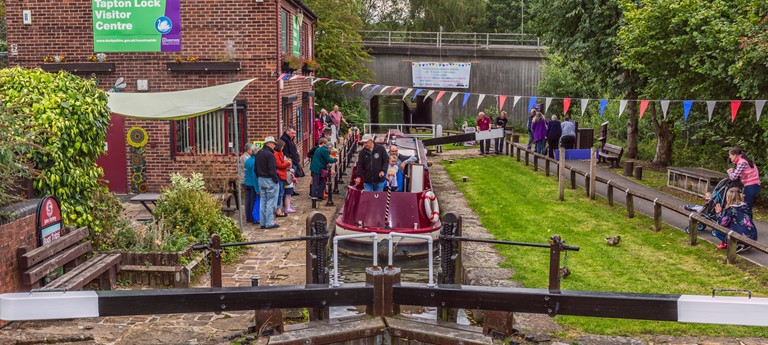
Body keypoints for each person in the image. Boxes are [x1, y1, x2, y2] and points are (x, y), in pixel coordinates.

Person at [714, 187, 757, 253]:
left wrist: (718, 213)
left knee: (717, 231)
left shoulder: (731, 209)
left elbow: (723, 223)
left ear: (729, 198)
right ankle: (745, 244)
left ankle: (736, 244)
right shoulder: (745, 206)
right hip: (753, 235)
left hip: (740, 235)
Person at [727, 147, 761, 218]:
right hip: (754, 186)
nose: (729, 157)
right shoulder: (744, 161)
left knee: (747, 209)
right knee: (747, 207)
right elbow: (739, 172)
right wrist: (734, 170)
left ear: (735, 155)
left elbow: (733, 177)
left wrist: (729, 171)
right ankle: (748, 225)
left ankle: (748, 226)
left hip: (751, 186)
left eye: (730, 155)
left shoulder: (742, 162)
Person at [255, 136, 280, 229]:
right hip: (269, 179)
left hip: (261, 179)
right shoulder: (270, 155)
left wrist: (259, 176)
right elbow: (272, 169)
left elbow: (256, 168)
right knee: (270, 201)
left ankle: (263, 222)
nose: (274, 146)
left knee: (263, 201)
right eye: (273, 144)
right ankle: (269, 222)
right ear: (269, 143)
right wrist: (275, 179)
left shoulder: (258, 154)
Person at [273, 139, 292, 217]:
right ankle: (278, 209)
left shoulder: (280, 153)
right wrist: (288, 163)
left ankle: (279, 208)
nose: (283, 148)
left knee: (281, 192)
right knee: (279, 193)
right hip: (279, 175)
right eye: (282, 147)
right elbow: (279, 165)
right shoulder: (276, 154)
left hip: (282, 175)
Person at [242, 144, 257, 224]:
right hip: (252, 183)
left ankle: (248, 217)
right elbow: (254, 175)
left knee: (247, 200)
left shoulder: (248, 160)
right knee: (252, 200)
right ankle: (252, 217)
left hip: (247, 182)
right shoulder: (254, 161)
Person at [237, 142, 254, 211]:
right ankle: (249, 213)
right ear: (249, 150)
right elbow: (249, 167)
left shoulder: (246, 157)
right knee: (249, 198)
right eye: (252, 150)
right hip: (245, 179)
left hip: (246, 178)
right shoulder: (245, 158)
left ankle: (249, 213)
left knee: (249, 197)